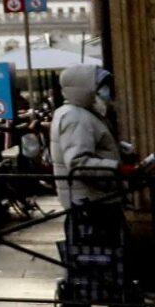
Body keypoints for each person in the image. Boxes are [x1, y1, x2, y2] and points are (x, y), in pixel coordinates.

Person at [52, 62, 122, 207]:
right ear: (85, 89)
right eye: (99, 87)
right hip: (91, 201)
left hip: (92, 198)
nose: (105, 91)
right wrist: (117, 168)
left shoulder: (79, 113)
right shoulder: (76, 117)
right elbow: (79, 163)